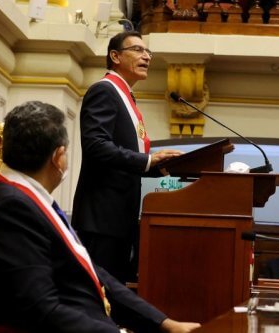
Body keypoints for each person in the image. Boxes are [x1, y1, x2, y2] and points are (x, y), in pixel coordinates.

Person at [0, 101, 199, 333]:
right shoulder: (11, 209)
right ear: (58, 157)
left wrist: (163, 323)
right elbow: (41, 310)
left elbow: (91, 270)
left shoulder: (26, 199)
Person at [71, 31, 182, 283]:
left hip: (119, 217)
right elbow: (96, 145)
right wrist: (147, 161)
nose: (146, 57)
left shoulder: (125, 96)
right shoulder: (105, 90)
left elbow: (126, 157)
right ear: (115, 56)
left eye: (148, 52)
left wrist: (160, 165)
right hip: (101, 219)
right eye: (138, 50)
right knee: (100, 294)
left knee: (115, 291)